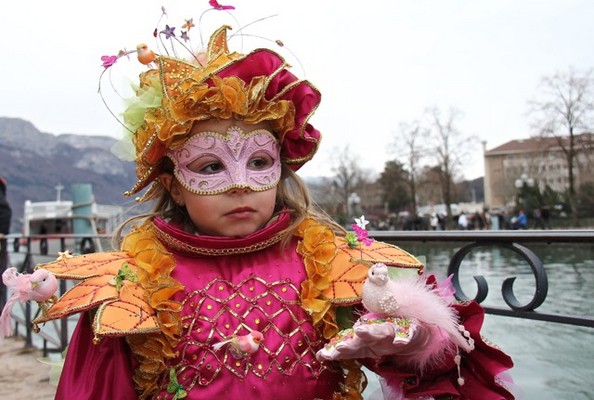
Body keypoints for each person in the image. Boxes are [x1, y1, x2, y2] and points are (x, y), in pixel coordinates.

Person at [33, 7, 515, 400]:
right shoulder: (130, 284)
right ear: (174, 185)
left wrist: (417, 338)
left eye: (259, 162)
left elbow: (436, 367)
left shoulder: (335, 261)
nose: (240, 185)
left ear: (281, 168)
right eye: (209, 168)